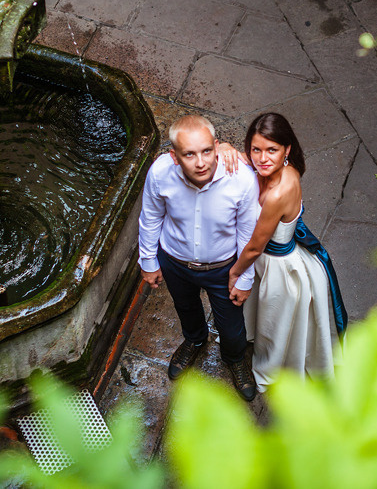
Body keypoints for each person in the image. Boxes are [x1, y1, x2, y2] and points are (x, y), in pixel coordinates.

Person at [137, 114, 259, 401]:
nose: (201, 162)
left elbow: (247, 235)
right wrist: (148, 262)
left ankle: (235, 358)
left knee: (231, 326)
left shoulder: (241, 178)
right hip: (175, 262)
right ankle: (194, 340)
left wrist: (244, 278)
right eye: (189, 154)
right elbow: (150, 218)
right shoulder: (160, 173)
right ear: (174, 156)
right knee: (186, 307)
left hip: (223, 269)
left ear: (217, 146)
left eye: (206, 151)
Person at [225, 113, 347, 392]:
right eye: (256, 149)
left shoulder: (278, 194)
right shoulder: (286, 168)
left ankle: (268, 367)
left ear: (286, 150)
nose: (262, 158)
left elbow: (255, 247)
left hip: (277, 267)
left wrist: (234, 273)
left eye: (272, 150)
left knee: (272, 325)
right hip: (275, 256)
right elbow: (247, 160)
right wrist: (225, 148)